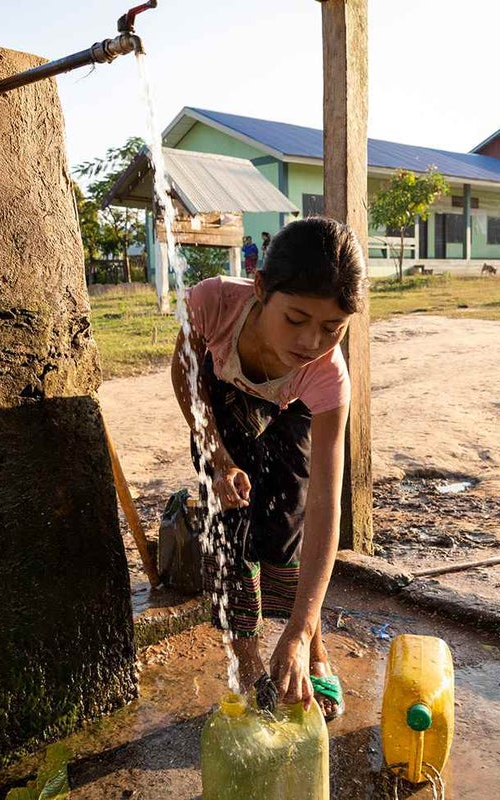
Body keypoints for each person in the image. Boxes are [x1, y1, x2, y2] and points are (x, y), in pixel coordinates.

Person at [172, 217, 364, 721]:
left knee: (288, 526)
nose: (310, 340)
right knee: (231, 526)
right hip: (222, 405)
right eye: (296, 318)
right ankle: (247, 654)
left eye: (332, 328)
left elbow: (325, 503)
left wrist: (299, 633)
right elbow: (187, 376)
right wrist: (215, 455)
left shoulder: (325, 374)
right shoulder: (215, 303)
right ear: (260, 288)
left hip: (292, 408)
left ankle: (311, 647)